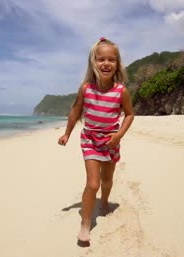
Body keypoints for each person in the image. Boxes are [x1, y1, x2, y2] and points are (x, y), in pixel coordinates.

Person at [57, 37, 135, 242]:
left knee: (106, 180)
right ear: (93, 62)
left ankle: (106, 200)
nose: (106, 63)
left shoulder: (121, 91)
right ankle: (85, 224)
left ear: (117, 64)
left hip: (111, 142)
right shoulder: (86, 89)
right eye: (101, 59)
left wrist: (118, 135)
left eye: (111, 59)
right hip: (90, 139)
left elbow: (129, 115)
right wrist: (67, 133)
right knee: (93, 184)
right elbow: (75, 111)